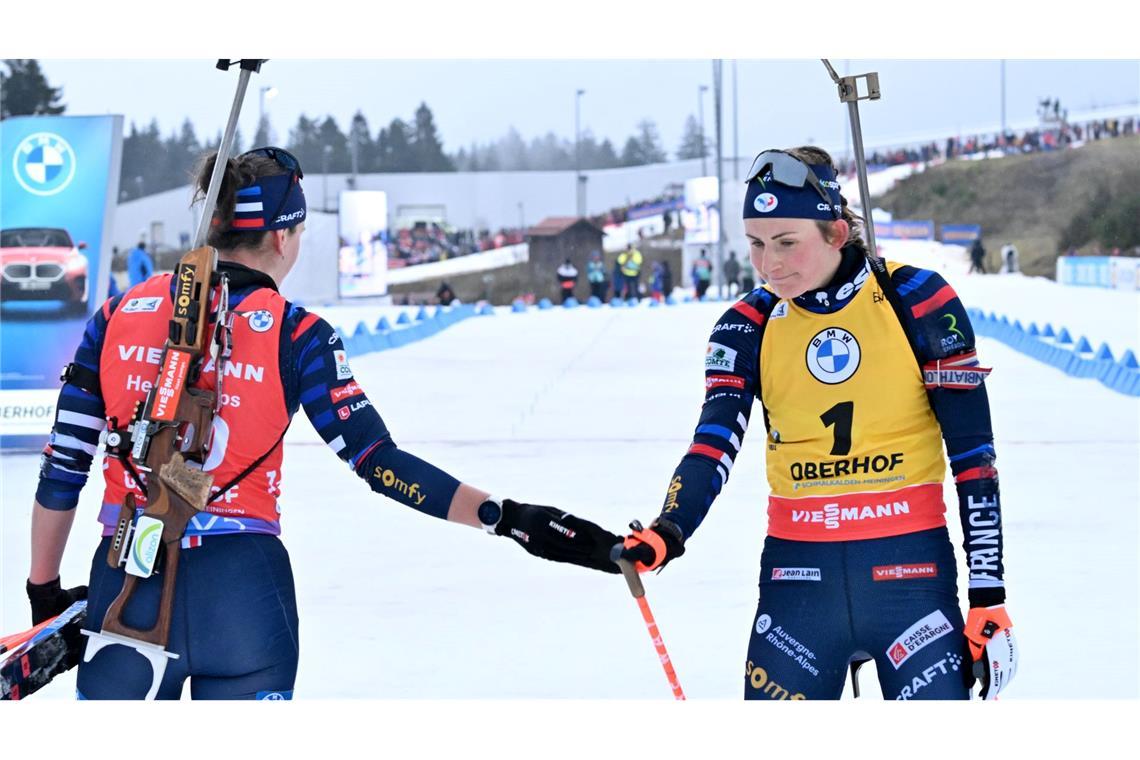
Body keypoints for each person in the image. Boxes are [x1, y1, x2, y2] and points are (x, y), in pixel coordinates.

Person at [26, 147, 620, 701]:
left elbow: (64, 468)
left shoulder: (117, 313)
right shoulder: (298, 332)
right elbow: (379, 462)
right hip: (242, 594)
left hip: (126, 582)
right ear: (282, 236)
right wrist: (504, 516)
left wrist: (44, 591)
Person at [610, 146, 1018, 701]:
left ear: (834, 231)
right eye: (755, 244)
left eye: (785, 243)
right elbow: (714, 441)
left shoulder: (918, 299)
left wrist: (988, 594)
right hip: (799, 583)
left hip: (910, 575)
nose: (768, 264)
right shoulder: (746, 326)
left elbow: (974, 459)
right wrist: (669, 528)